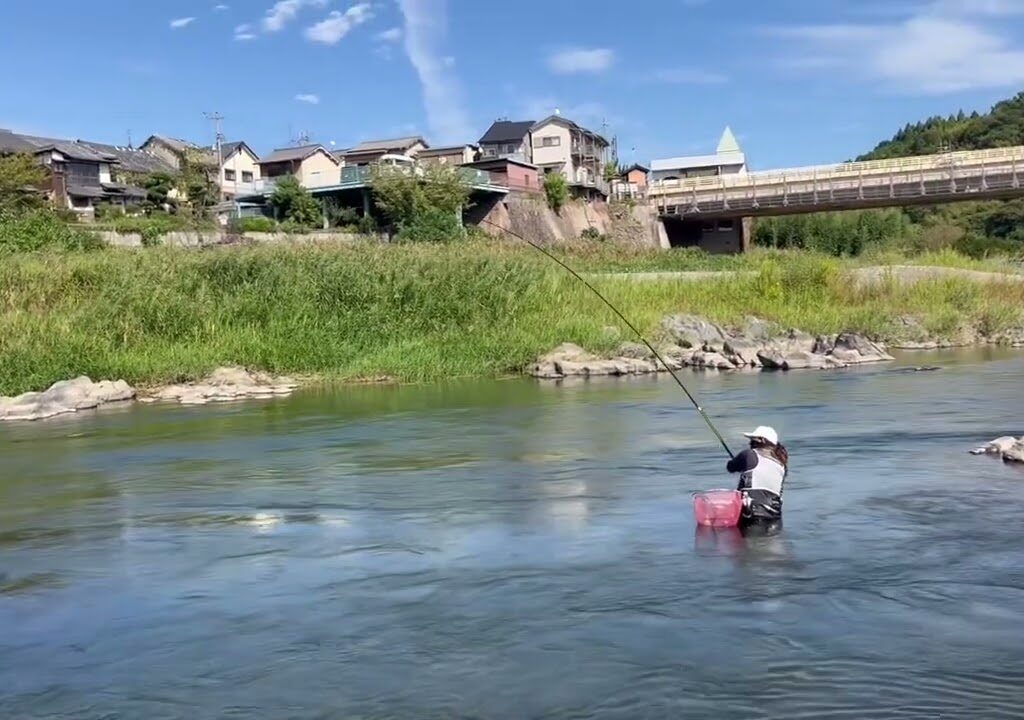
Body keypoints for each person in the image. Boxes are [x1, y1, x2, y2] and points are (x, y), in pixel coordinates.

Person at [726, 426, 788, 525]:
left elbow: (730, 467)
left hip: (753, 515)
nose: (750, 443)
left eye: (752, 440)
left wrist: (739, 464)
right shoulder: (781, 464)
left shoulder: (749, 454)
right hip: (775, 515)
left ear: (762, 440)